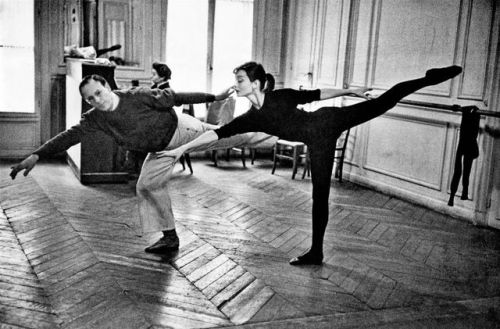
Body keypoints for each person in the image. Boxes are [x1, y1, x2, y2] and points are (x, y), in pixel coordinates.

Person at [161, 61, 463, 265]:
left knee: (384, 102)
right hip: (320, 143)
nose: (235, 84)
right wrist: (181, 150)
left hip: (329, 120)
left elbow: (318, 94)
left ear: (255, 83)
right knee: (321, 196)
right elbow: (216, 133)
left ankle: (428, 78)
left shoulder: (280, 96)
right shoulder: (252, 117)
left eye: (239, 79)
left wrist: (350, 91)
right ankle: (316, 252)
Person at [9, 74, 276, 253]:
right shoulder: (95, 119)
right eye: (90, 98)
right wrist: (37, 154)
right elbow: (69, 136)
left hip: (182, 131)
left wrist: (214, 97)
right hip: (160, 150)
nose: (96, 101)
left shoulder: (136, 96)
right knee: (147, 186)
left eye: (99, 93)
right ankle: (170, 238)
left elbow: (176, 97)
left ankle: (272, 129)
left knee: (227, 137)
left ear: (107, 88)